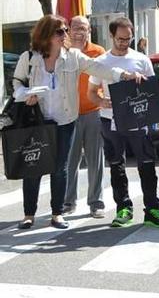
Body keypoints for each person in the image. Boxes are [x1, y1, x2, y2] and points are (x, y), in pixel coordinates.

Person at [12, 15, 143, 230]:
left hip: (65, 119)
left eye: (65, 30)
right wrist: (26, 94)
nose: (65, 34)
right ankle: (29, 214)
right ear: (46, 34)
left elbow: (99, 68)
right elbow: (16, 84)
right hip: (37, 120)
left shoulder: (73, 56)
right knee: (33, 167)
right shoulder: (29, 57)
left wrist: (125, 75)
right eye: (60, 31)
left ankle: (57, 213)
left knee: (60, 168)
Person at [87, 17, 159, 228]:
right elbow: (91, 93)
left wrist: (143, 86)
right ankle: (123, 208)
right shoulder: (101, 62)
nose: (124, 43)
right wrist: (102, 101)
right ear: (111, 36)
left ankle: (152, 209)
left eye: (128, 39)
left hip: (138, 122)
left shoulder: (141, 59)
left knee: (147, 164)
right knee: (117, 165)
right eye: (120, 39)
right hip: (110, 121)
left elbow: (152, 92)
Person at [63, 15, 106, 218]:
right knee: (69, 161)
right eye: (76, 27)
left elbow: (105, 80)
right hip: (68, 114)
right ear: (69, 30)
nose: (80, 31)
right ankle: (68, 202)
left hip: (92, 112)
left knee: (95, 159)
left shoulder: (98, 52)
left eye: (84, 28)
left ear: (90, 31)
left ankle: (95, 202)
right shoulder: (63, 52)